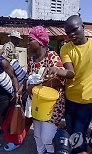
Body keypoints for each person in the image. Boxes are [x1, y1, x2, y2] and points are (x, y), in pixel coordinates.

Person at [48, 15, 92, 154]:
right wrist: (57, 70)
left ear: (83, 27)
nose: (71, 35)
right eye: (68, 32)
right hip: (70, 97)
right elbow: (71, 73)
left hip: (88, 99)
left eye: (75, 30)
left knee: (79, 132)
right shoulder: (66, 48)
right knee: (72, 130)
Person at [27, 26, 65, 154]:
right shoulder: (31, 60)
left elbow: (60, 81)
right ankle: (41, 151)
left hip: (52, 106)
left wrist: (36, 86)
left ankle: (50, 151)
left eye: (30, 40)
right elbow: (28, 78)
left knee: (46, 137)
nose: (27, 44)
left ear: (40, 42)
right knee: (37, 135)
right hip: (37, 103)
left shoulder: (52, 57)